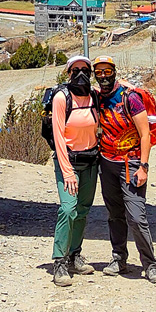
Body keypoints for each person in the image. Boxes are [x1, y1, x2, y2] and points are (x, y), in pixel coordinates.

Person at [92, 55, 156, 283]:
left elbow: (144, 134)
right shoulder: (97, 97)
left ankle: (150, 265)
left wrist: (144, 166)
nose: (103, 76)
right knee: (114, 215)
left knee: (136, 216)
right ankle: (118, 258)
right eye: (98, 72)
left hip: (130, 164)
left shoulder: (130, 98)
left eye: (106, 71)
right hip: (107, 163)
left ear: (113, 71)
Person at [50, 52, 99, 286]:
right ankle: (59, 261)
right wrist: (67, 170)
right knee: (68, 210)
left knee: (83, 210)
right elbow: (58, 136)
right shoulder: (61, 98)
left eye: (85, 71)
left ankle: (74, 255)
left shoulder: (95, 98)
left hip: (90, 162)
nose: (80, 75)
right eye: (75, 71)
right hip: (67, 162)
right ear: (68, 74)